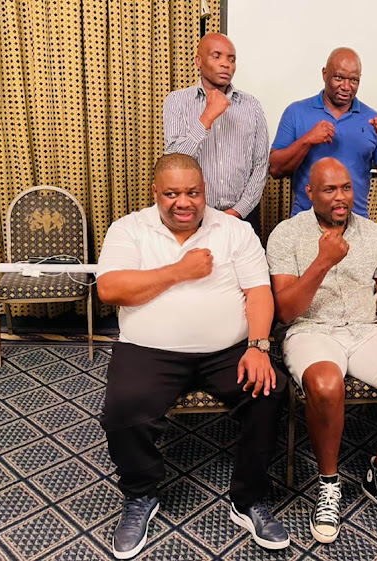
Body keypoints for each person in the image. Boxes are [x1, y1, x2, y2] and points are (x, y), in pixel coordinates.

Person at [97, 154, 289, 558]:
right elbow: (110, 289)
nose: (183, 202)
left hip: (229, 350)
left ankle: (249, 499)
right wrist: (179, 271)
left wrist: (258, 347)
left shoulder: (234, 230)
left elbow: (258, 292)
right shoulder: (129, 229)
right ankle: (140, 495)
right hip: (149, 350)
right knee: (124, 405)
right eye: (171, 194)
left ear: (205, 192)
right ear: (155, 194)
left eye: (193, 193)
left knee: (268, 391)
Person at [266, 158, 377, 543]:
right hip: (310, 330)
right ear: (309, 193)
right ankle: (328, 482)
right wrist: (323, 262)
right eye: (329, 190)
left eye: (345, 187)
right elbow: (286, 310)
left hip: (365, 330)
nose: (340, 197)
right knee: (325, 385)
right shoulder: (286, 235)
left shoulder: (375, 234)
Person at [269, 47, 377, 218]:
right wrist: (308, 140)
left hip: (356, 223)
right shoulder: (296, 112)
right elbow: (276, 169)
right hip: (306, 223)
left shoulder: (372, 119)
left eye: (354, 80)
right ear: (325, 74)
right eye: (339, 78)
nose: (346, 87)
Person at [163, 33, 268, 236]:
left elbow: (261, 164)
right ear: (198, 61)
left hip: (242, 217)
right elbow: (173, 161)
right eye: (216, 56)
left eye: (231, 59)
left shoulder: (251, 105)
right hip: (193, 216)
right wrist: (207, 117)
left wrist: (238, 211)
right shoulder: (177, 101)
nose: (226, 64)